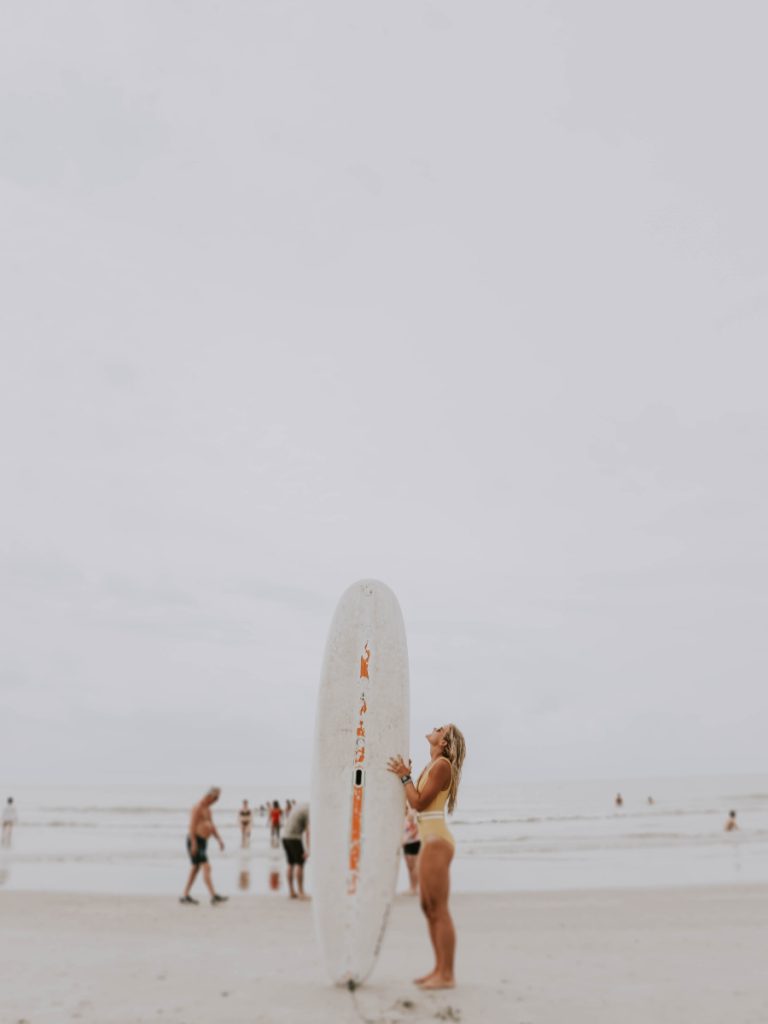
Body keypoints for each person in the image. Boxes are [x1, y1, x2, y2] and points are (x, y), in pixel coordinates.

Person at [388, 723, 466, 991]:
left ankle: (447, 974)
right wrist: (407, 777)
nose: (435, 728)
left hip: (436, 841)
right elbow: (414, 802)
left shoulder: (442, 765)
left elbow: (419, 803)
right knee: (428, 908)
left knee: (439, 909)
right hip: (428, 841)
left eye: (440, 729)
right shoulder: (430, 766)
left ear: (444, 742)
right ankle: (438, 968)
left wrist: (404, 777)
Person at [180, 787, 227, 906]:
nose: (216, 801)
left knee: (195, 869)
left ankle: (185, 895)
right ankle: (213, 896)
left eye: (218, 799)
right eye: (215, 798)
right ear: (209, 796)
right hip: (195, 841)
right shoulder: (197, 808)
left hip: (203, 842)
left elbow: (212, 826)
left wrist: (219, 839)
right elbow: (191, 826)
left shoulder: (208, 809)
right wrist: (194, 844)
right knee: (207, 867)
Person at [282, 802, 310, 899]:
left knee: (290, 863)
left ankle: (291, 892)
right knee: (300, 863)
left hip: (285, 837)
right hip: (294, 838)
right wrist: (308, 850)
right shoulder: (309, 811)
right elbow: (308, 832)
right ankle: (301, 893)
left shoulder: (300, 806)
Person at [402, 806, 421, 895]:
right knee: (409, 867)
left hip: (414, 842)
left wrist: (407, 838)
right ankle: (411, 887)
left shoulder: (411, 814)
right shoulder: (400, 816)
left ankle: (415, 888)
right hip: (405, 843)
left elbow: (416, 829)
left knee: (414, 867)